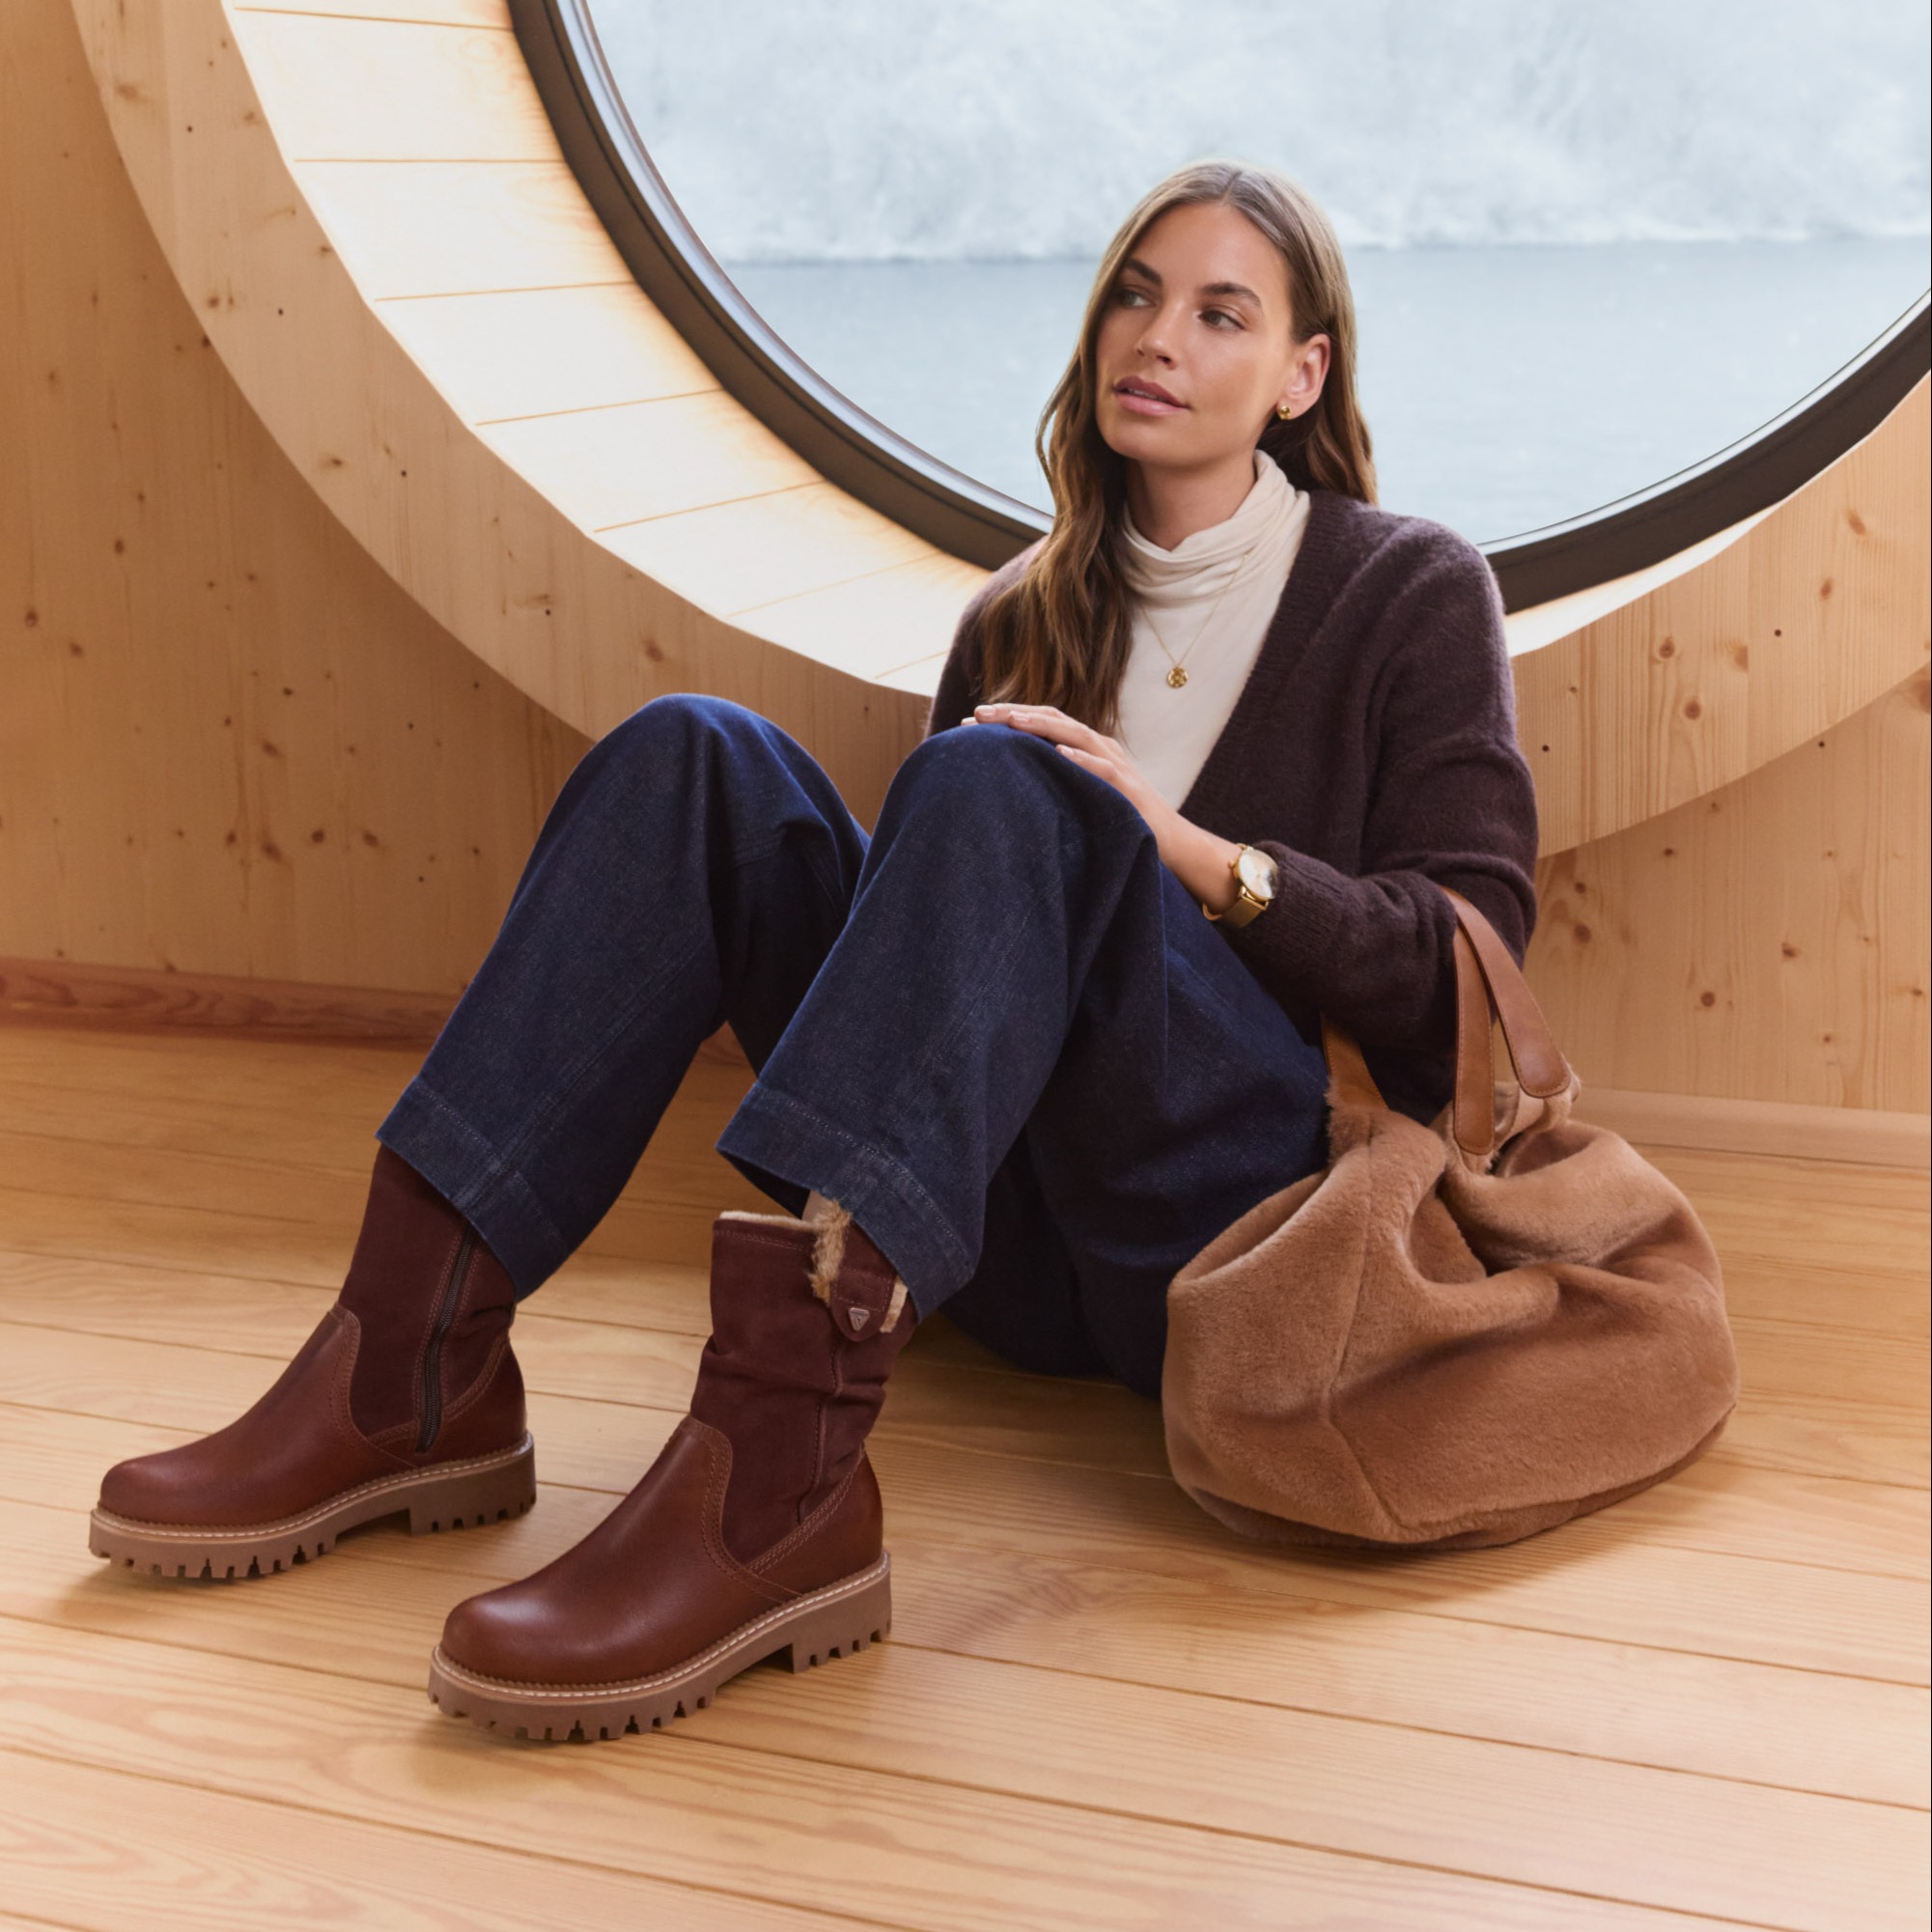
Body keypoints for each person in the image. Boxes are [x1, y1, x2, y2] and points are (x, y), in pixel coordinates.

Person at [87, 159, 1538, 1741]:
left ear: (1300, 373)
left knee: (1009, 783)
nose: (1158, 335)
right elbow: (940, 983)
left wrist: (1176, 847)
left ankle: (777, 1479)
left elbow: (1464, 966)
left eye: (1219, 313)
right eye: (1135, 292)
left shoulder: (1405, 590)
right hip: (1005, 1250)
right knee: (693, 755)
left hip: (1227, 1228)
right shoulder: (1019, 614)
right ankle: (408, 1364)